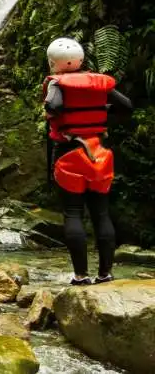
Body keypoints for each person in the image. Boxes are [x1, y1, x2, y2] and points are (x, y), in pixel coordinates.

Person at [43, 37, 132, 285]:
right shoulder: (98, 83)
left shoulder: (56, 83)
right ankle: (105, 273)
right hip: (99, 154)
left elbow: (54, 106)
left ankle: (81, 275)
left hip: (70, 154)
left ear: (53, 62)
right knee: (101, 213)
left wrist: (55, 112)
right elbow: (126, 106)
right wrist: (102, 112)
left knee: (73, 213)